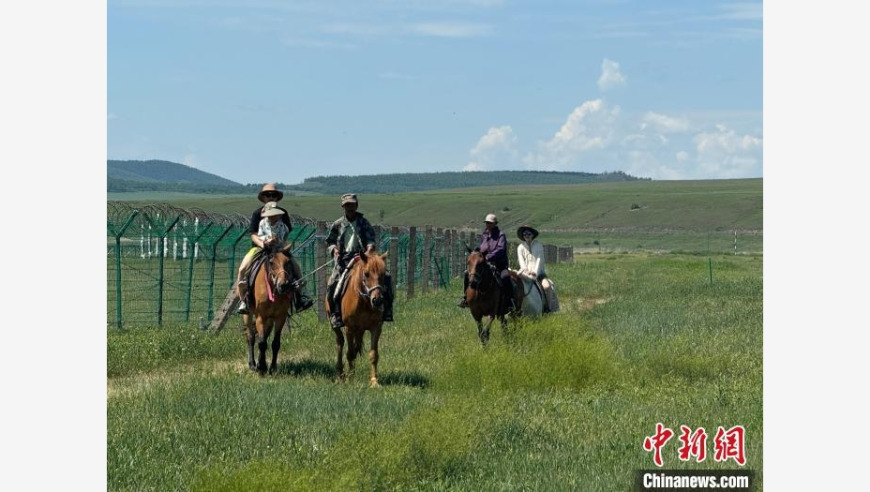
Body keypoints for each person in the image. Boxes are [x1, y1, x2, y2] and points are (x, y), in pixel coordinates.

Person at [236, 183, 313, 315]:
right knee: (242, 268)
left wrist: (280, 243)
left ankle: (301, 296)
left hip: (279, 249)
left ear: (277, 197)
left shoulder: (283, 214)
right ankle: (244, 299)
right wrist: (263, 243)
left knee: (295, 267)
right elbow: (253, 234)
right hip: (259, 248)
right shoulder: (257, 214)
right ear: (263, 197)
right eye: (267, 195)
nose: (270, 197)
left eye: (273, 195)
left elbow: (287, 231)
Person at [325, 193, 394, 328]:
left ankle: (387, 310)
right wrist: (334, 250)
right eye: (347, 205)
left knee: (386, 279)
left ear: (356, 206)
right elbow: (330, 241)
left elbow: (370, 240)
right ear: (343, 207)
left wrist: (369, 249)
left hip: (363, 259)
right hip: (344, 261)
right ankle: (336, 315)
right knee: (333, 285)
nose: (350, 208)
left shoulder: (364, 223)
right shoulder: (338, 224)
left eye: (352, 205)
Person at [458, 213, 517, 313]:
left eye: (490, 223)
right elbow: (481, 247)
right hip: (485, 263)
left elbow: (500, 250)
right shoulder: (485, 235)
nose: (488, 225)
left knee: (505, 277)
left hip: (499, 264)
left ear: (495, 224)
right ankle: (466, 298)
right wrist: (476, 253)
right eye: (487, 223)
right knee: (467, 273)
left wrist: (488, 256)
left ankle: (510, 301)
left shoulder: (500, 235)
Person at [516, 225, 559, 313]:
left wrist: (535, 272)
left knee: (547, 287)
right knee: (516, 286)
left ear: (532, 235)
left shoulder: (538, 245)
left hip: (539, 273)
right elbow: (521, 262)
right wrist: (526, 270)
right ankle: (515, 309)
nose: (526, 235)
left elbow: (539, 260)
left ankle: (548, 308)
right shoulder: (520, 247)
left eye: (529, 233)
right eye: (524, 234)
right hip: (525, 273)